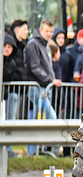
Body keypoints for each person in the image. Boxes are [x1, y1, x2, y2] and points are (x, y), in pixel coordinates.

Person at [24, 19, 61, 155]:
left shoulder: (45, 45)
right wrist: (51, 79)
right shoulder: (33, 44)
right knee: (52, 117)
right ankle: (55, 149)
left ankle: (34, 152)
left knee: (35, 118)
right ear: (41, 30)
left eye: (51, 31)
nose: (49, 34)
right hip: (37, 87)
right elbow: (34, 67)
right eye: (47, 31)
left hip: (45, 87)